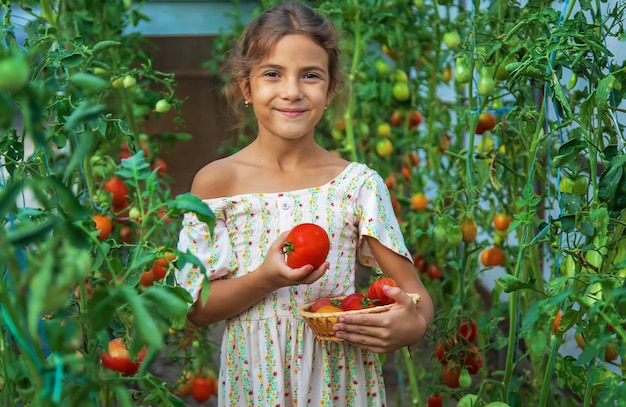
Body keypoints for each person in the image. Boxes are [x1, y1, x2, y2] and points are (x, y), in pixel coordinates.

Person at [175, 2, 434, 406]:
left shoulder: (358, 185)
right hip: (255, 387)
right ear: (246, 87)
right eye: (272, 74)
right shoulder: (216, 183)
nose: (292, 91)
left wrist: (411, 325)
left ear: (330, 90)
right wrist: (268, 277)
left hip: (340, 385)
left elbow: (415, 295)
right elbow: (196, 308)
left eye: (310, 75)